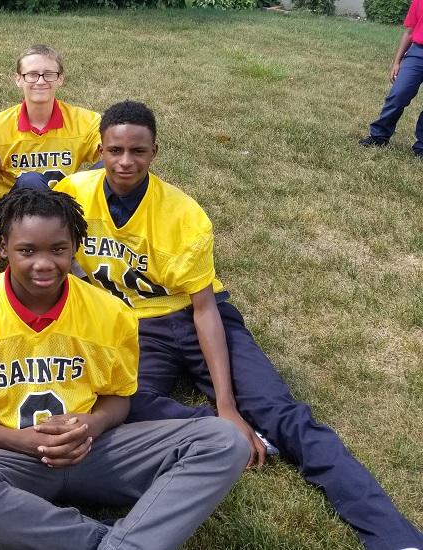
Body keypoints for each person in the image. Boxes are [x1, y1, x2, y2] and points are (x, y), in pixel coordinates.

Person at [56, 100, 423, 550]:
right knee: (123, 406)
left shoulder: (183, 214)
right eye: (115, 150)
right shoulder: (75, 192)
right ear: (101, 149)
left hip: (195, 317)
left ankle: (393, 535)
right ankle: (222, 430)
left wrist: (228, 406)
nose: (125, 161)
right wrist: (217, 423)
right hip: (133, 329)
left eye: (138, 151)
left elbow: (205, 310)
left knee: (284, 414)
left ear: (155, 152)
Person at [0, 187, 249, 550]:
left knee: (224, 440)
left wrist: (90, 425)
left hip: (94, 449)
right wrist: (23, 441)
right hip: (12, 458)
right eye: (27, 250)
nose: (44, 263)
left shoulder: (111, 314)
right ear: (3, 247)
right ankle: (115, 542)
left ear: (75, 246)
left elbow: (118, 400)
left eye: (58, 249)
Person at [0, 44, 101, 212]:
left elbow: (112, 157)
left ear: (60, 79)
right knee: (31, 181)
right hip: (14, 216)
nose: (41, 81)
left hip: (64, 212)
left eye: (49, 75)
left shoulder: (85, 122)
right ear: (18, 79)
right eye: (32, 74)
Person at [358, 0, 423, 159]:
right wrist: (396, 62)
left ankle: (421, 147)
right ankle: (379, 136)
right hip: (418, 53)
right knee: (398, 93)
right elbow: (409, 31)